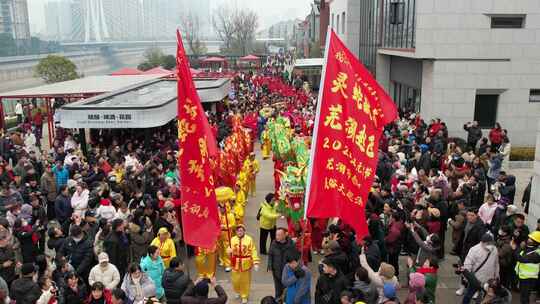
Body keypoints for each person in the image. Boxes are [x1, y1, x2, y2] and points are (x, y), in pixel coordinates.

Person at [461, 232, 499, 304]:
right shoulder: (474, 250)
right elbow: (467, 265)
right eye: (488, 244)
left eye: (491, 243)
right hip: (476, 279)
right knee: (468, 295)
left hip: (489, 280)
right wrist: (467, 277)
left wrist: (496, 276)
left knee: (484, 298)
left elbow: (496, 264)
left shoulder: (494, 249)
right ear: (482, 242)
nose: (490, 246)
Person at [228, 224, 260, 303]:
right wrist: (228, 251)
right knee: (235, 280)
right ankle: (237, 291)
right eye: (238, 231)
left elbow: (253, 250)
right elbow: (229, 250)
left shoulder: (249, 239)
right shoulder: (232, 239)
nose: (239, 232)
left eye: (241, 230)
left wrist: (255, 262)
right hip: (235, 262)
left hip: (245, 263)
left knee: (245, 280)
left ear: (244, 231)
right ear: (236, 232)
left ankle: (244, 295)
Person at [268, 227, 296, 299]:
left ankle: (285, 300)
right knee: (277, 289)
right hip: (276, 270)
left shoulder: (291, 244)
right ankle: (277, 299)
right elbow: (270, 254)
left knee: (286, 289)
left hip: (287, 271)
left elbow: (295, 257)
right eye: (276, 235)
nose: (277, 237)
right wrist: (270, 266)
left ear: (285, 235)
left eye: (279, 235)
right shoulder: (274, 243)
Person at [513, 231, 540, 304]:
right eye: (529, 238)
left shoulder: (537, 254)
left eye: (531, 239)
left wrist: (516, 249)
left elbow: (521, 259)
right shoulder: (528, 248)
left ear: (536, 242)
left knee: (525, 297)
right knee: (523, 296)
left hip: (529, 279)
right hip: (523, 277)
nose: (528, 239)